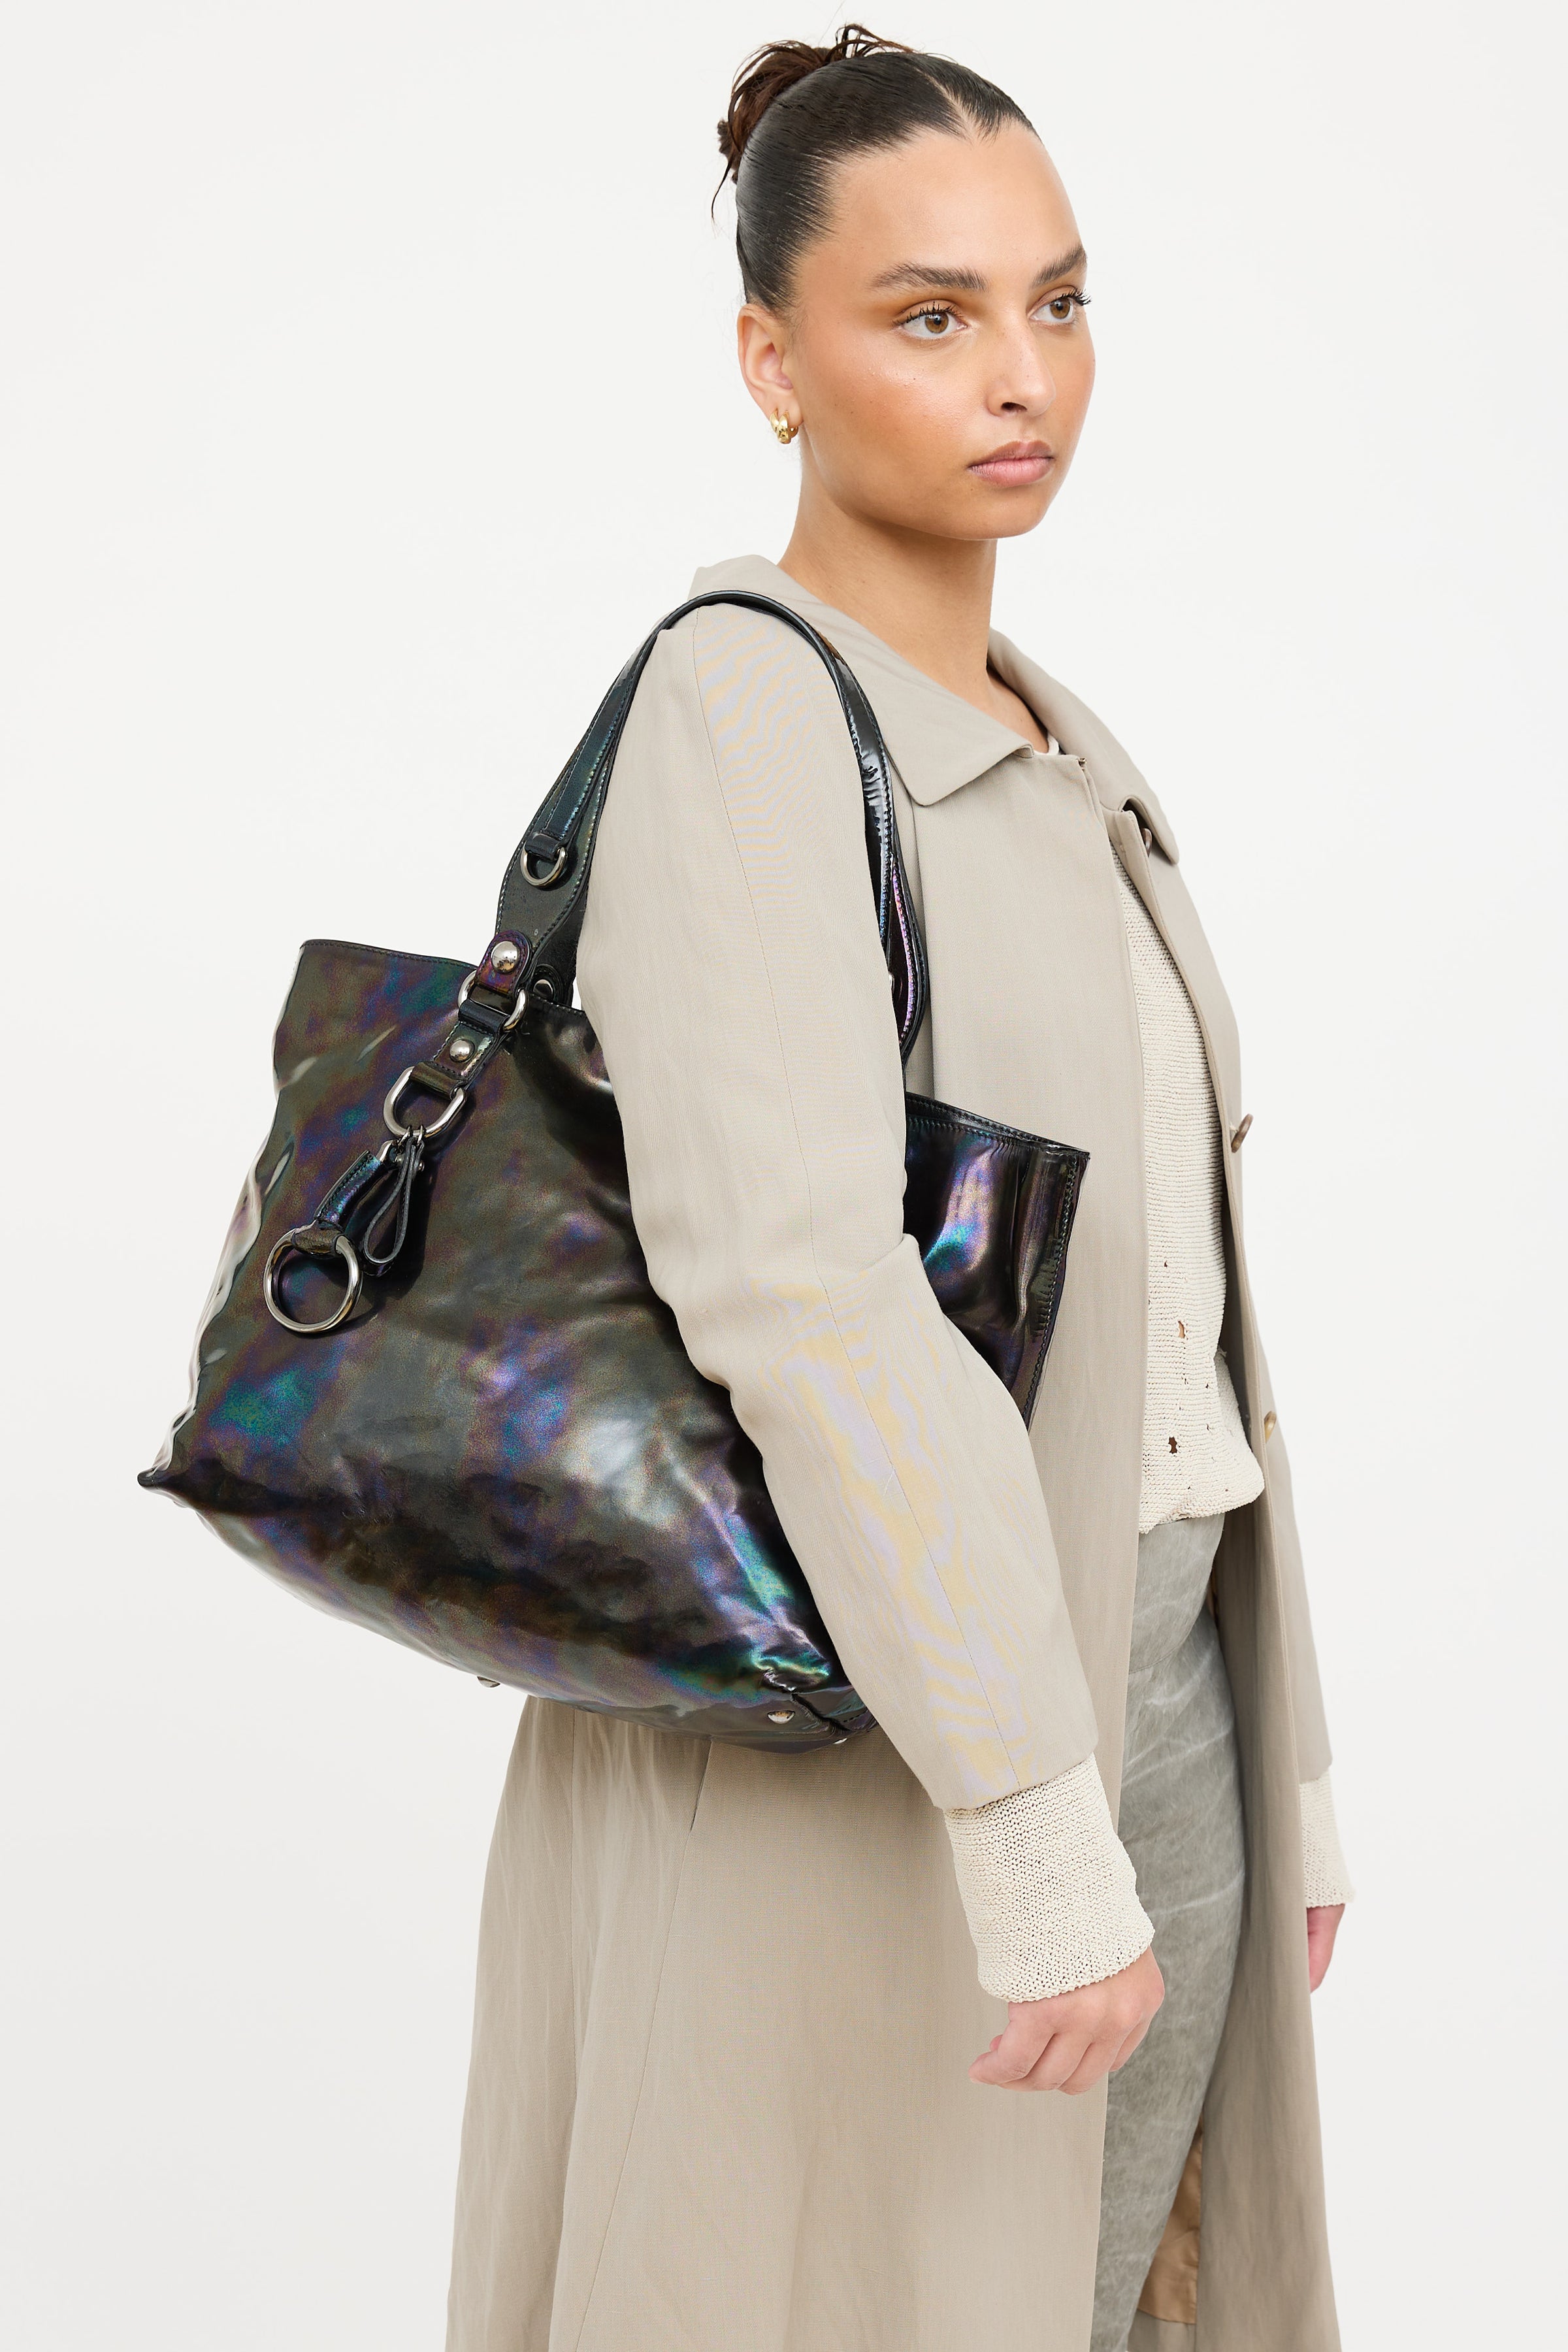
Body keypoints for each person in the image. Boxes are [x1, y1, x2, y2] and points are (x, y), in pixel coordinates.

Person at [445, 29, 1352, 2352]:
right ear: (772, 360)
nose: (1021, 373)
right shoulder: (751, 708)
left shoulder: (1054, 733)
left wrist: (1281, 1772)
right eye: (929, 315)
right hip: (893, 1743)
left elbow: (1188, 1309)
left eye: (1060, 300)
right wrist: (1037, 1825)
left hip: (1152, 1685)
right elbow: (809, 1292)